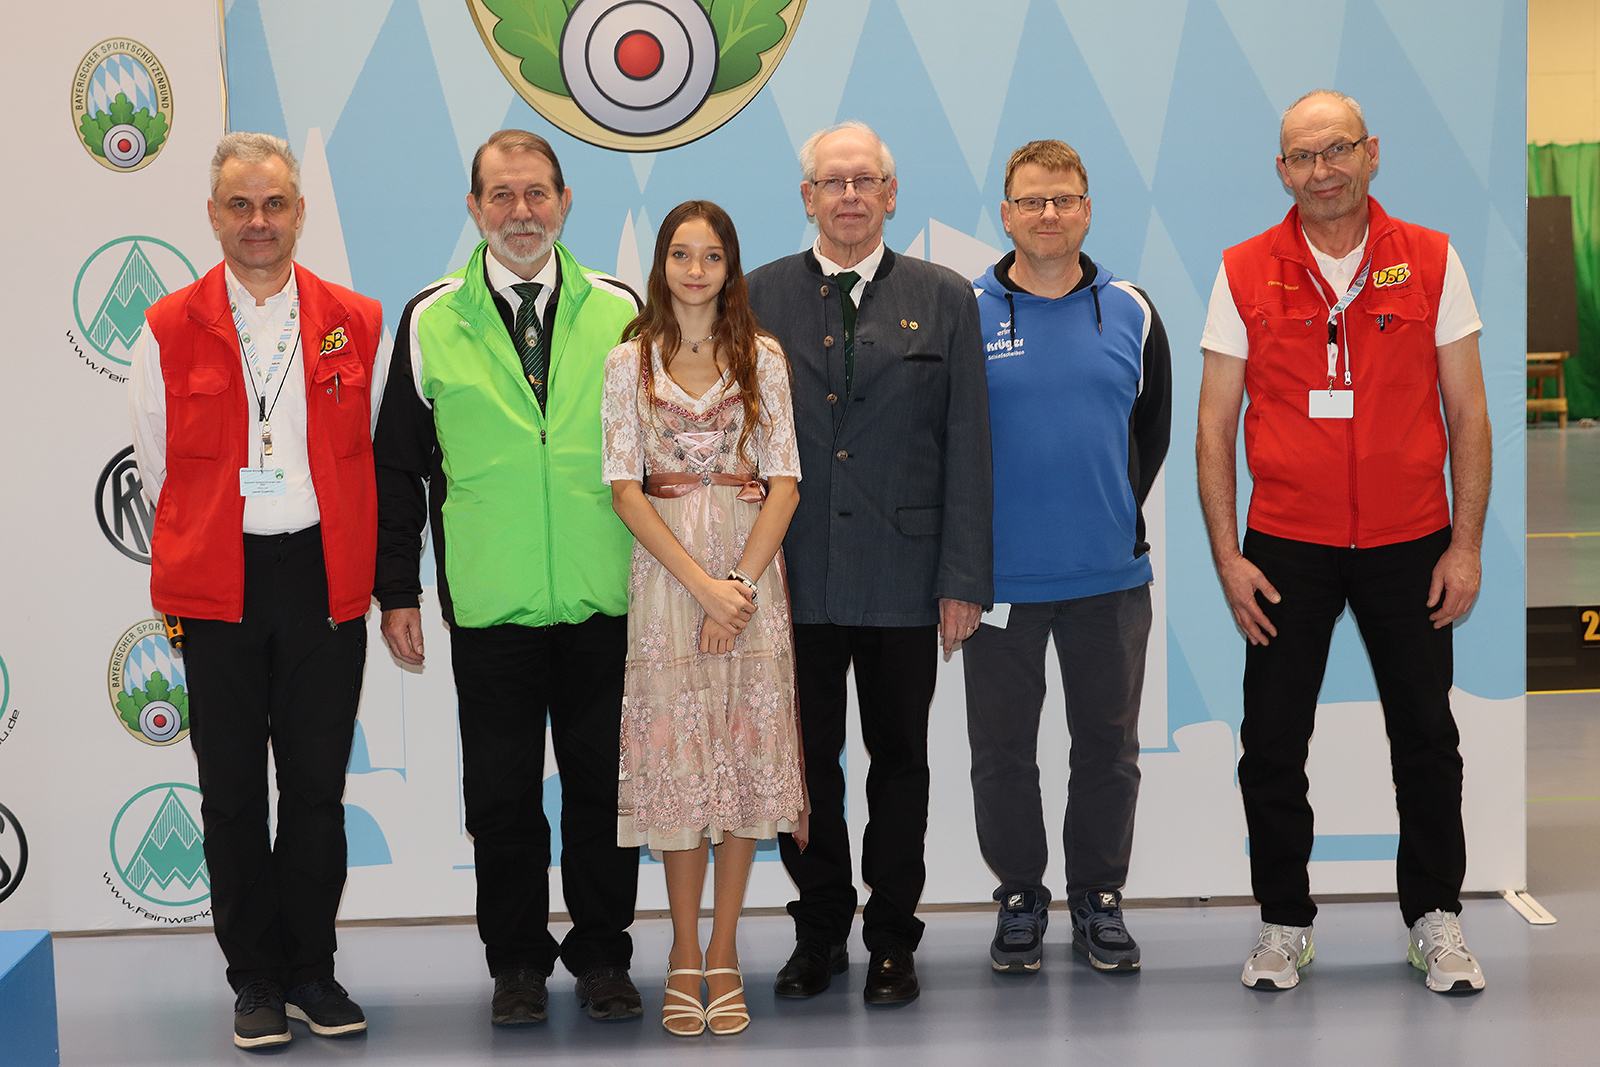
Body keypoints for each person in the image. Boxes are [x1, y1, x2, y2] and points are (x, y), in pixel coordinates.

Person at [1197, 90, 1491, 994]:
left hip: (1412, 542)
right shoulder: (1244, 269)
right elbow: (1213, 428)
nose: (1321, 170)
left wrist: (1465, 546)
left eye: (1336, 150)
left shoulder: (1432, 259)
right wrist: (1229, 557)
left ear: (1372, 153)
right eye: (1302, 156)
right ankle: (1284, 921)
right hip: (1287, 546)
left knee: (1427, 739)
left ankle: (1434, 916)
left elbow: (1469, 413)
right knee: (1271, 742)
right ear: (1281, 170)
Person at [373, 130, 644, 1026]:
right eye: (501, 195)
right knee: (501, 798)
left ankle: (602, 955)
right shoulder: (431, 318)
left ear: (565, 202)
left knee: (603, 792)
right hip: (491, 608)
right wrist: (399, 590)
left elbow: (657, 450)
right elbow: (398, 467)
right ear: (474, 207)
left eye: (536, 194)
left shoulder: (620, 308)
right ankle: (517, 963)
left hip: (606, 599)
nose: (520, 212)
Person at [128, 132, 386, 1048]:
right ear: (213, 216)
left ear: (300, 212)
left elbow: (364, 453)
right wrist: (213, 541)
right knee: (232, 791)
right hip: (218, 584)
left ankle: (312, 968)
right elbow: (158, 468)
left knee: (315, 787)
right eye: (240, 205)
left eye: (274, 203)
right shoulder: (167, 327)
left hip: (321, 579)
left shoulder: (355, 319)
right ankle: (257, 979)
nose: (258, 221)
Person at [747, 120, 993, 1005]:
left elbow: (969, 442)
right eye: (832, 181)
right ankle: (818, 932)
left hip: (905, 574)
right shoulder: (757, 295)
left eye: (865, 180)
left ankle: (892, 936)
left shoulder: (946, 295)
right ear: (807, 197)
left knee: (900, 762)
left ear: (891, 194)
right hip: (794, 574)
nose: (849, 195)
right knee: (806, 765)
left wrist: (963, 577)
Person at [966, 140, 1171, 975]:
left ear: (1087, 209)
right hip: (999, 585)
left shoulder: (1132, 309)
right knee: (1001, 754)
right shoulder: (965, 310)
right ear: (1006, 213)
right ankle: (1020, 895)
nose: (1047, 214)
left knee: (1109, 750)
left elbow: (1148, 432)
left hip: (1109, 581)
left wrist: (1108, 517)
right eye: (1031, 200)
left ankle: (1098, 897)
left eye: (1063, 199)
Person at [602, 200, 804, 1036]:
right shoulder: (628, 361)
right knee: (680, 764)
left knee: (743, 760)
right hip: (667, 581)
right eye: (681, 254)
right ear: (661, 264)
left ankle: (725, 952)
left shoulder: (764, 357)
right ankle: (683, 952)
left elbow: (785, 481)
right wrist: (702, 587)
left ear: (730, 266)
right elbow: (625, 489)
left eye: (711, 255)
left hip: (751, 578)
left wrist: (739, 587)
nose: (695, 270)